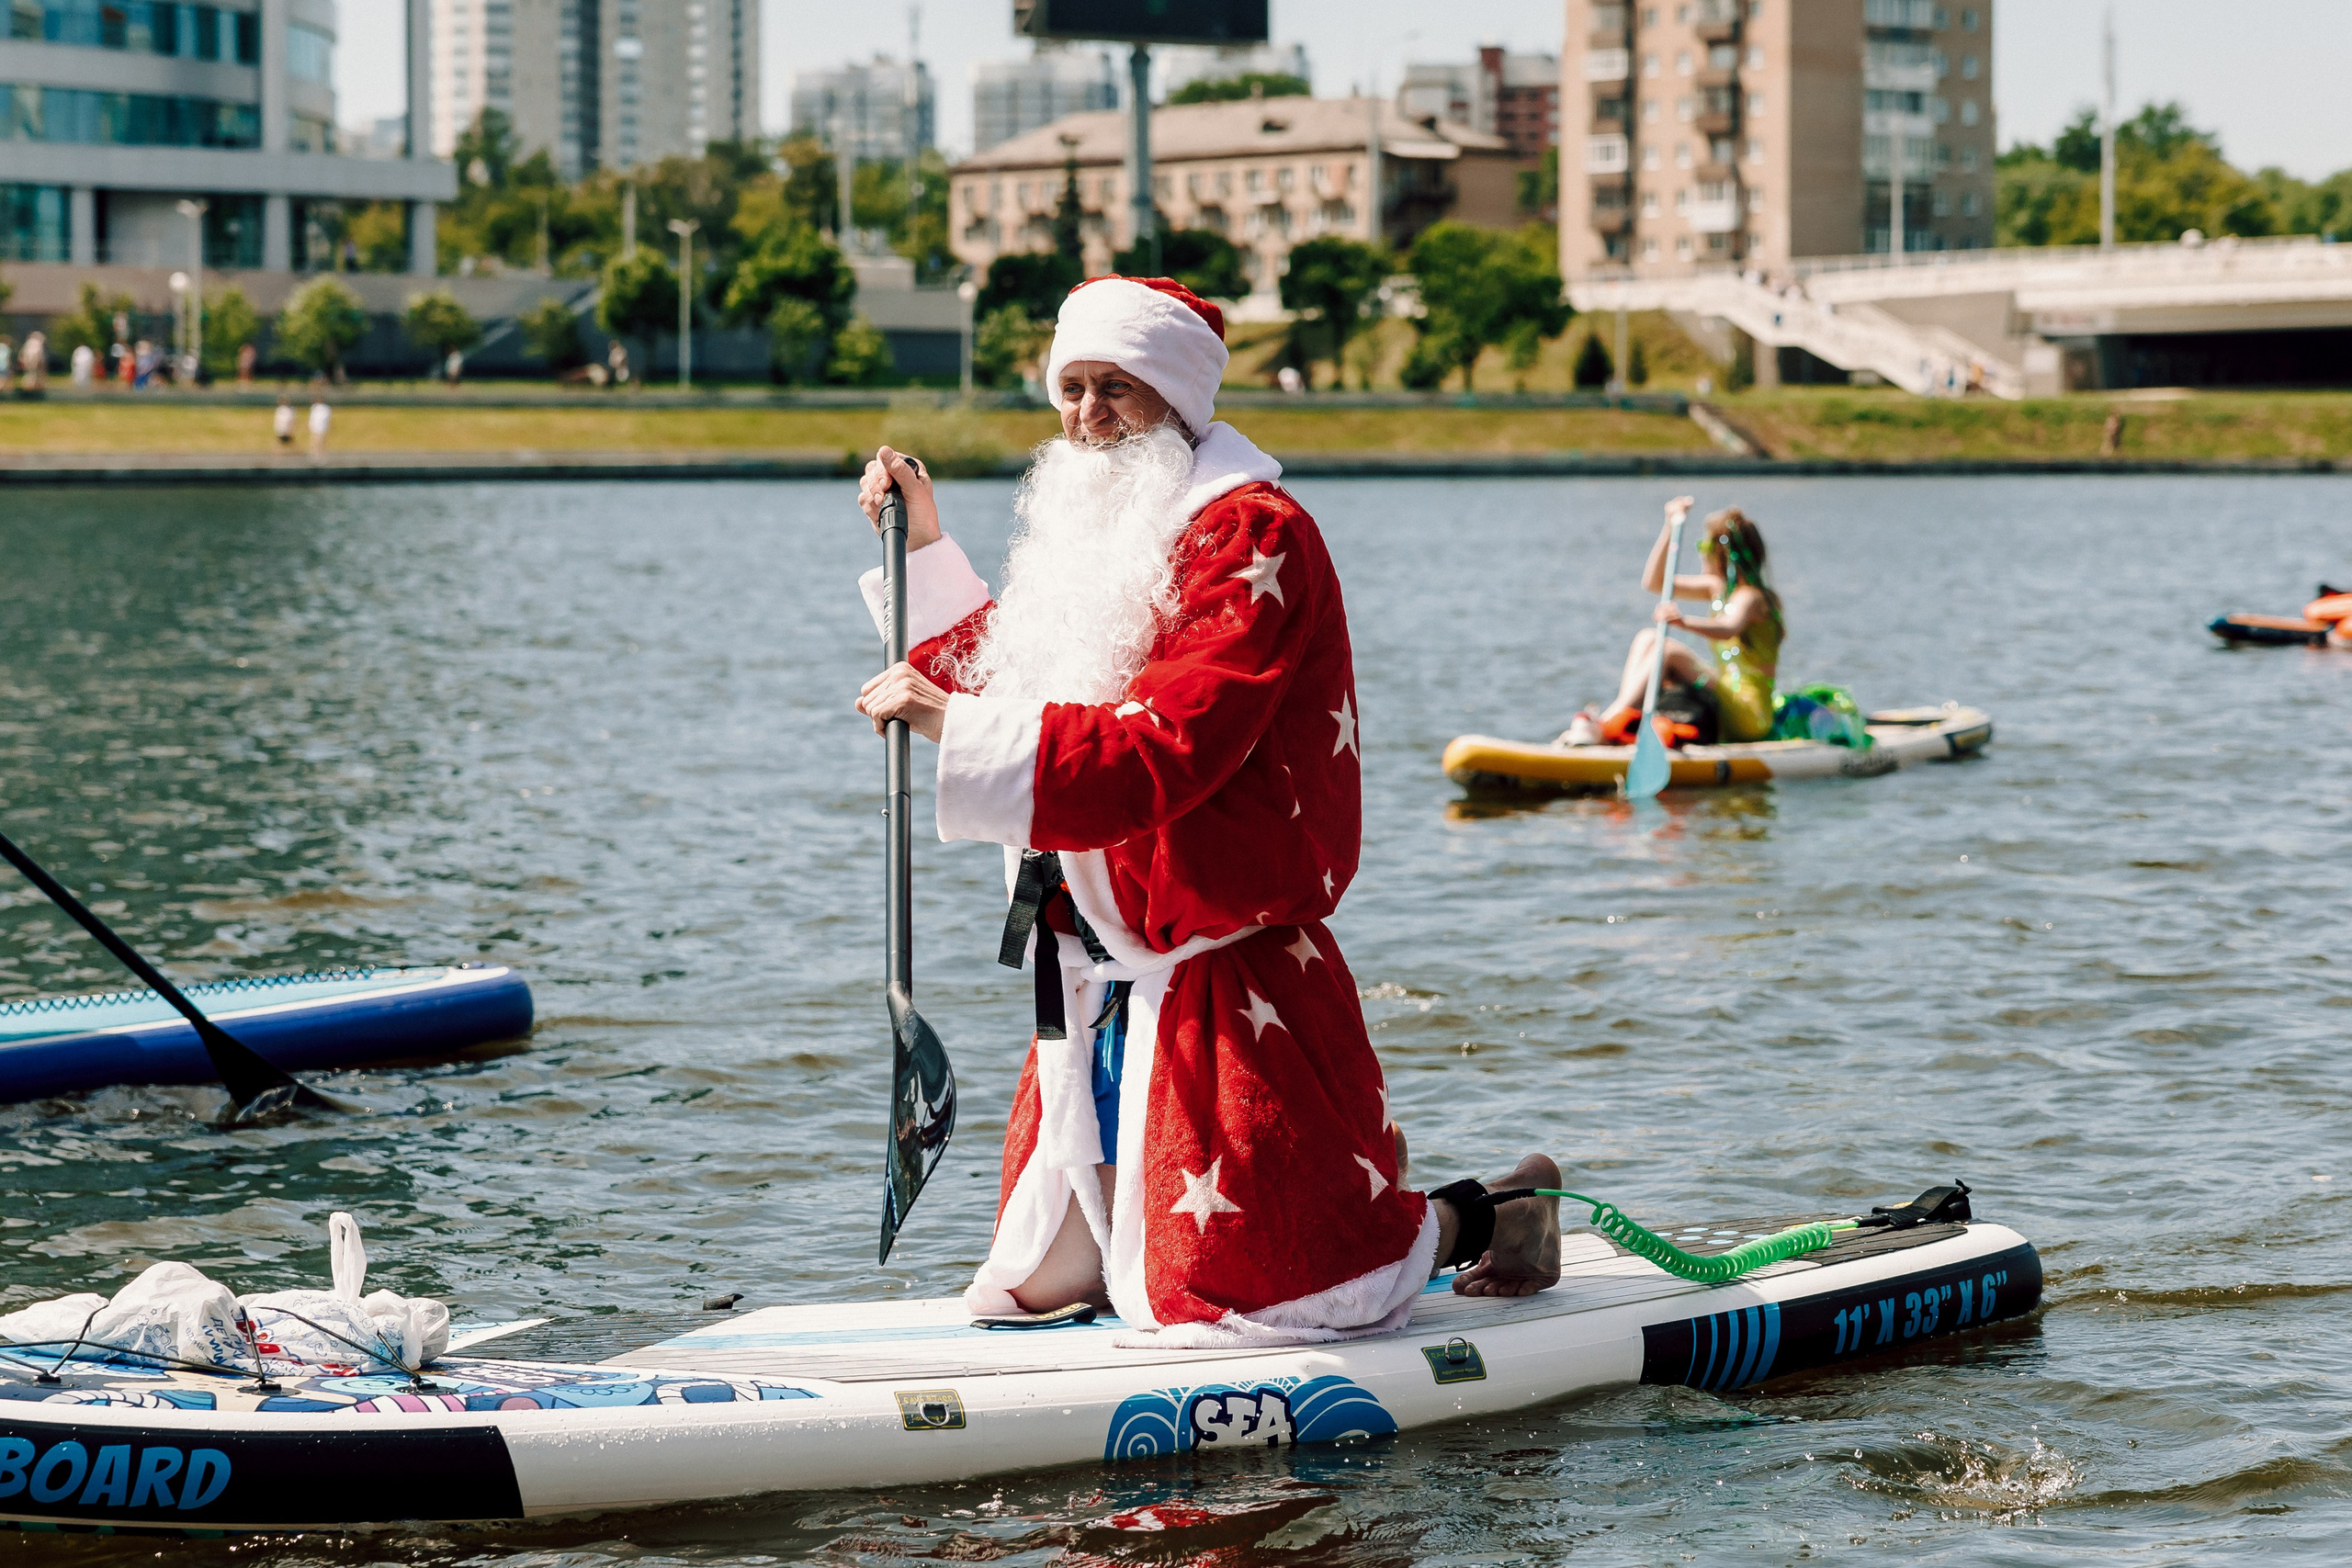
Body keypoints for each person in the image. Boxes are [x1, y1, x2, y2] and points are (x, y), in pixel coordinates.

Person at [852, 276, 1562, 1344]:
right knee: (1043, 1286)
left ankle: (1493, 1211)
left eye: (1116, 389)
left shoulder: (1252, 536)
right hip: (1099, 971)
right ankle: (1367, 1184)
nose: (1086, 416)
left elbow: (1166, 747)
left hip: (1217, 972)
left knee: (1263, 1300)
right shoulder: (1112, 535)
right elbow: (1018, 679)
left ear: (1177, 400)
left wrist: (953, 726)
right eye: (1072, 387)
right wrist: (925, 550)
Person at [1566, 498, 1786, 747]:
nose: (1700, 554)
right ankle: (1619, 719)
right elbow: (1655, 583)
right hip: (1727, 697)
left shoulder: (1751, 597)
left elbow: (1728, 628)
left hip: (1750, 715)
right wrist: (1670, 526)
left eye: (1703, 547)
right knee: (1647, 638)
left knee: (1668, 649)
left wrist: (1683, 622)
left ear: (1721, 554)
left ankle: (1605, 726)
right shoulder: (1718, 589)